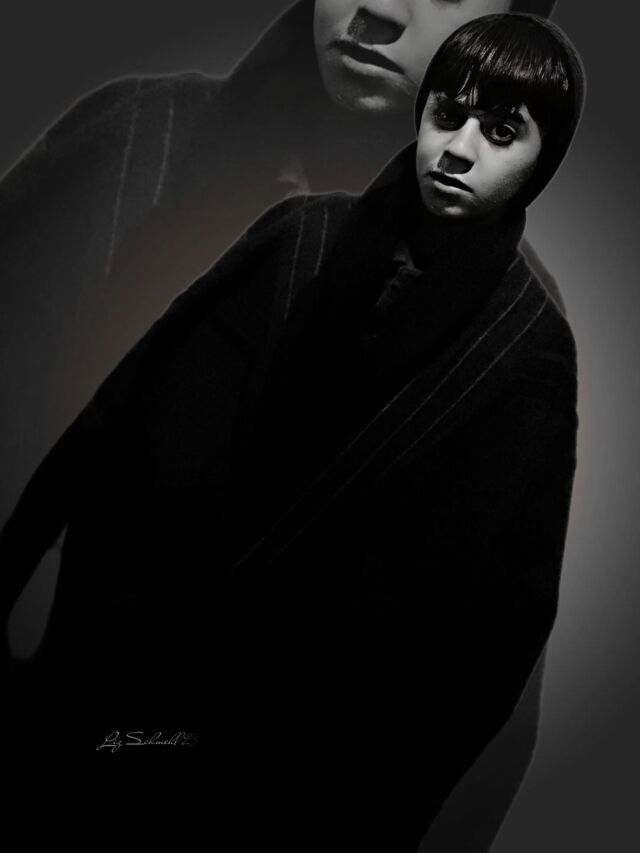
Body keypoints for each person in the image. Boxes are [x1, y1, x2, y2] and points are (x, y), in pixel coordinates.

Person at [1, 13, 584, 851]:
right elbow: (106, 422)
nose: (378, 7)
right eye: (450, 116)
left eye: (498, 131)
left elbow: (487, 673)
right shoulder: (163, 156)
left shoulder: (522, 347)